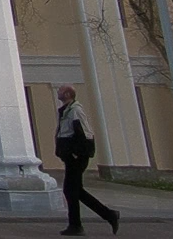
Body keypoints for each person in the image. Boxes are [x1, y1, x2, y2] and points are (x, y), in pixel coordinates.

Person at [54, 85, 119, 236]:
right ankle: (102, 217)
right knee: (75, 191)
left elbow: (85, 133)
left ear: (68, 94)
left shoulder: (75, 110)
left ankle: (82, 223)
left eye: (60, 90)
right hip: (71, 157)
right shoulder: (66, 110)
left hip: (77, 157)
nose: (58, 91)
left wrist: (78, 153)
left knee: (71, 190)